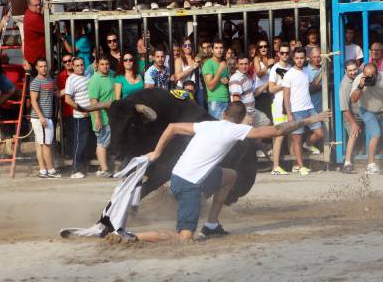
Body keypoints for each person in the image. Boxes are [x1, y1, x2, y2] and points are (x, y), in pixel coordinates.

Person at [110, 102, 331, 243]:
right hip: (189, 186)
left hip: (179, 177)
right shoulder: (237, 130)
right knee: (184, 237)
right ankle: (130, 235)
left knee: (229, 176)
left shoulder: (207, 125)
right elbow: (276, 130)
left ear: (224, 113)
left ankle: (212, 225)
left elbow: (172, 127)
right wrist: (310, 119)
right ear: (244, 118)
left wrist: (157, 153)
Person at [282, 47, 325, 176]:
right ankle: (301, 167)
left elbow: (314, 84)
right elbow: (286, 96)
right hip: (296, 111)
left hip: (309, 108)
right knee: (297, 140)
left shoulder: (307, 71)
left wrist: (324, 71)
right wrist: (289, 114)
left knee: (320, 132)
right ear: (293, 59)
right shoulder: (289, 74)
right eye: (297, 58)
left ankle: (308, 144)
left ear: (305, 58)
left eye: (301, 58)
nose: (299, 60)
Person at [30, 58, 62, 178]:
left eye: (45, 66)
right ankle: (51, 170)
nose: (43, 68)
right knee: (46, 144)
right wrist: (41, 117)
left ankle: (43, 171)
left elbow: (57, 93)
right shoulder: (35, 82)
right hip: (41, 118)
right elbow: (33, 101)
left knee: (40, 144)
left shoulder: (50, 80)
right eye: (41, 66)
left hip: (46, 116)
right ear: (37, 68)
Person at [350, 63, 383, 174]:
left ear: (377, 74)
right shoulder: (359, 80)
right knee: (376, 134)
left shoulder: (382, 79)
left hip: (381, 109)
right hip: (367, 109)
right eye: (366, 75)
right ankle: (370, 165)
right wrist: (360, 86)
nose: (369, 78)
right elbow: (354, 100)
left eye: (371, 76)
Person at [88, 55, 115, 178]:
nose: (105, 66)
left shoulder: (112, 75)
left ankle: (102, 167)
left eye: (107, 64)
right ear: (97, 65)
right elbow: (94, 102)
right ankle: (104, 169)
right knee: (102, 143)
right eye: (102, 64)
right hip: (102, 117)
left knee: (106, 143)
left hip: (112, 117)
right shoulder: (95, 80)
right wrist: (97, 119)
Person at [64, 57, 92, 178]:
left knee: (88, 142)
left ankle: (83, 167)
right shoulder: (71, 80)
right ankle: (75, 169)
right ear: (73, 67)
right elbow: (67, 99)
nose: (80, 67)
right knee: (80, 142)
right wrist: (81, 109)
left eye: (82, 65)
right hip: (80, 116)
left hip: (92, 114)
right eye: (77, 65)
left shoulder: (88, 74)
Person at [269, 42, 292, 175]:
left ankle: (295, 164)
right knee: (279, 134)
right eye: (282, 52)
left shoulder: (291, 67)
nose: (284, 55)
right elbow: (271, 89)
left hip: (289, 103)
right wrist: (283, 84)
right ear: (278, 54)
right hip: (278, 104)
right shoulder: (274, 68)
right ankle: (275, 166)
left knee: (291, 133)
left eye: (287, 53)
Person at [339, 60, 361, 174]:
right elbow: (344, 109)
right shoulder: (344, 85)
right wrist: (354, 124)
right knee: (354, 132)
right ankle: (347, 163)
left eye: (354, 69)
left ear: (358, 68)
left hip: (363, 111)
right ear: (345, 71)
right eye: (350, 70)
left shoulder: (361, 74)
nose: (353, 72)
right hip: (350, 115)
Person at [202, 38, 230, 119]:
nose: (219, 50)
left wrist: (227, 82)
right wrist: (220, 69)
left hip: (227, 100)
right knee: (218, 130)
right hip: (216, 101)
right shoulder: (208, 64)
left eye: (221, 48)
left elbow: (225, 83)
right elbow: (210, 86)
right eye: (216, 48)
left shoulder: (224, 63)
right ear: (212, 50)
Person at [56, 53, 74, 158]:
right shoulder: (61, 76)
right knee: (70, 136)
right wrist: (74, 85)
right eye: (65, 61)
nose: (67, 63)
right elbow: (58, 93)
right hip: (68, 111)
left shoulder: (81, 72)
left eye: (69, 60)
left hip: (82, 111)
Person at [7, 0, 31, 66]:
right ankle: (31, 63)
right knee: (30, 39)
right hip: (26, 10)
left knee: (25, 39)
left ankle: (26, 62)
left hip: (16, 11)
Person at [253, 40, 274, 120]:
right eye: (261, 47)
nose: (263, 48)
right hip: (260, 93)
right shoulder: (256, 58)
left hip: (270, 93)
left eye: (265, 46)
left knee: (271, 118)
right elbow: (259, 74)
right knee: (263, 120)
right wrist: (267, 66)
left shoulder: (271, 59)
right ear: (258, 49)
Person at [24, 0, 45, 72]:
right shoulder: (33, 17)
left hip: (34, 55)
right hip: (35, 57)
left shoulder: (30, 13)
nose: (39, 7)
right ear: (29, 6)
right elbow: (47, 29)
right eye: (35, 5)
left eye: (39, 4)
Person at [305, 47, 322, 114]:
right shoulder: (306, 71)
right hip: (313, 109)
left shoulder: (325, 67)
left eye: (319, 57)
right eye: (314, 57)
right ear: (310, 58)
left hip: (326, 106)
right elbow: (311, 88)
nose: (317, 59)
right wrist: (322, 72)